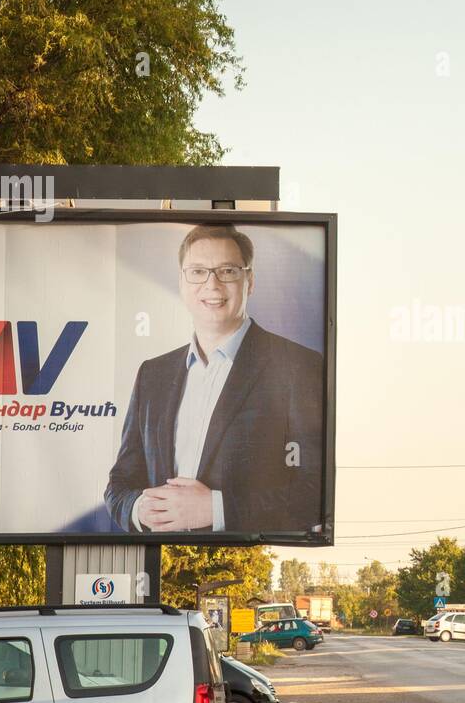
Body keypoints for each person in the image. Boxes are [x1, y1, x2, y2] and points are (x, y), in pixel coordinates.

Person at [105, 223, 323, 535]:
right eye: (197, 271)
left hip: (245, 562)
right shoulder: (152, 375)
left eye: (228, 271)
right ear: (181, 281)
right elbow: (120, 484)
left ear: (249, 281)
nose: (212, 284)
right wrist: (139, 509)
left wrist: (217, 509)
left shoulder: (299, 366)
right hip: (163, 560)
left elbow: (314, 492)